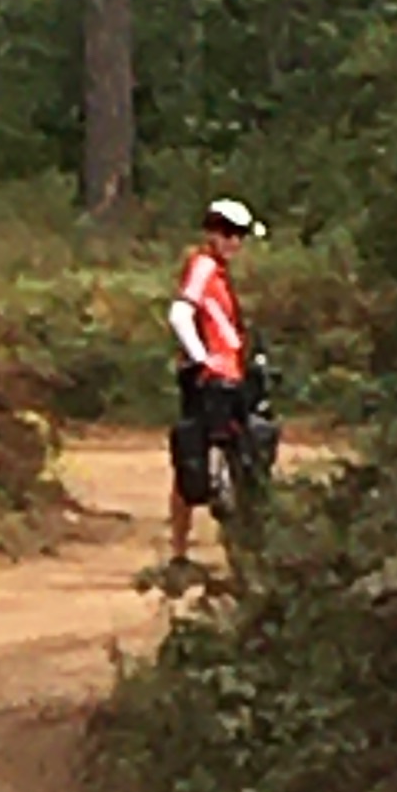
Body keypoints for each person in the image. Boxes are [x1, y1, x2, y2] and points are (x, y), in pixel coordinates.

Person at [167, 196, 257, 560]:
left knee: (232, 455)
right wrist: (201, 357)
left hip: (228, 373)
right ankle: (181, 549)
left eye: (239, 234)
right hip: (210, 377)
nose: (234, 241)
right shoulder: (203, 266)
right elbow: (179, 313)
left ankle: (231, 549)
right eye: (227, 232)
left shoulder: (217, 270)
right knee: (195, 457)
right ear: (212, 232)